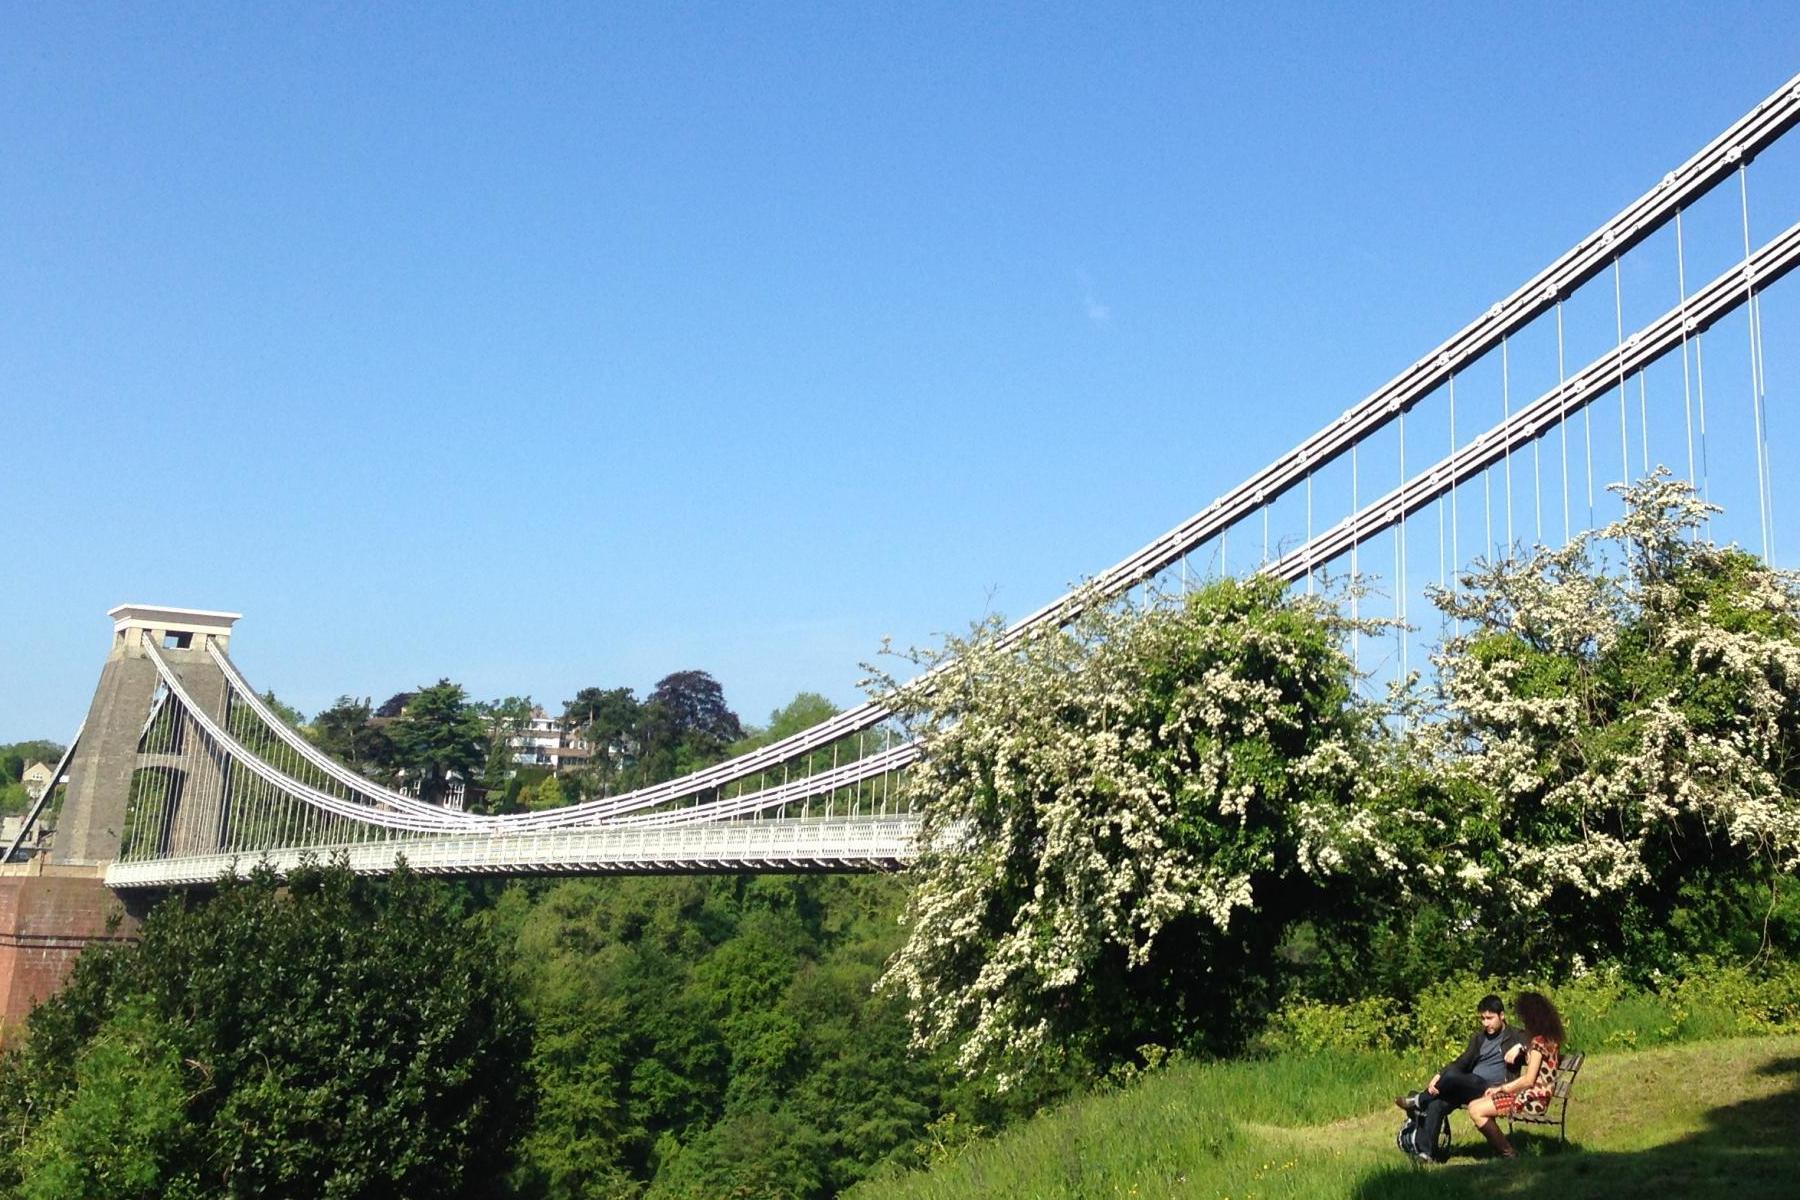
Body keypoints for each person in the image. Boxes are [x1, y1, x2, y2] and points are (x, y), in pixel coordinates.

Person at [1394, 993, 1527, 1163]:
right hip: (1469, 1086)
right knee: (1436, 1103)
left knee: (1451, 1078)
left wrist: (1520, 1048)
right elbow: (1462, 1061)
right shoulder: (1479, 1038)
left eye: (1490, 1018)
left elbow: (1539, 1042)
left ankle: (1419, 1099)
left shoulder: (1515, 1034)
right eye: (1483, 1019)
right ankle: (1426, 1154)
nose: (1486, 1023)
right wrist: (1439, 1075)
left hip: (1493, 1089)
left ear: (1502, 1016)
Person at [1465, 990, 1565, 1159]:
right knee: (1476, 1104)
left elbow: (1528, 1080)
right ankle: (1503, 1150)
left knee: (1476, 1109)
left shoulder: (1539, 1042)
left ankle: (1508, 1153)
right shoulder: (1550, 1038)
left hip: (1533, 1098)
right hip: (1537, 1094)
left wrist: (1501, 1089)